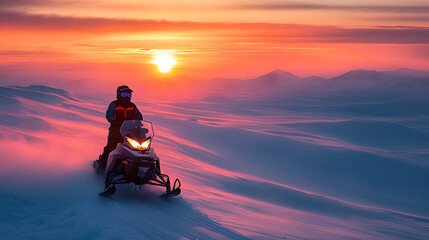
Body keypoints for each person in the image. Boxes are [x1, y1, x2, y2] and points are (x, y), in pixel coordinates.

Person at [95, 85, 143, 171]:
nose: (127, 97)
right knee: (111, 149)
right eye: (125, 95)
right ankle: (101, 169)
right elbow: (109, 114)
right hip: (116, 131)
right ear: (119, 94)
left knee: (140, 149)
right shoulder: (114, 104)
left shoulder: (132, 105)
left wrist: (139, 123)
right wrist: (113, 121)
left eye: (129, 95)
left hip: (130, 132)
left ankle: (143, 170)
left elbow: (138, 115)